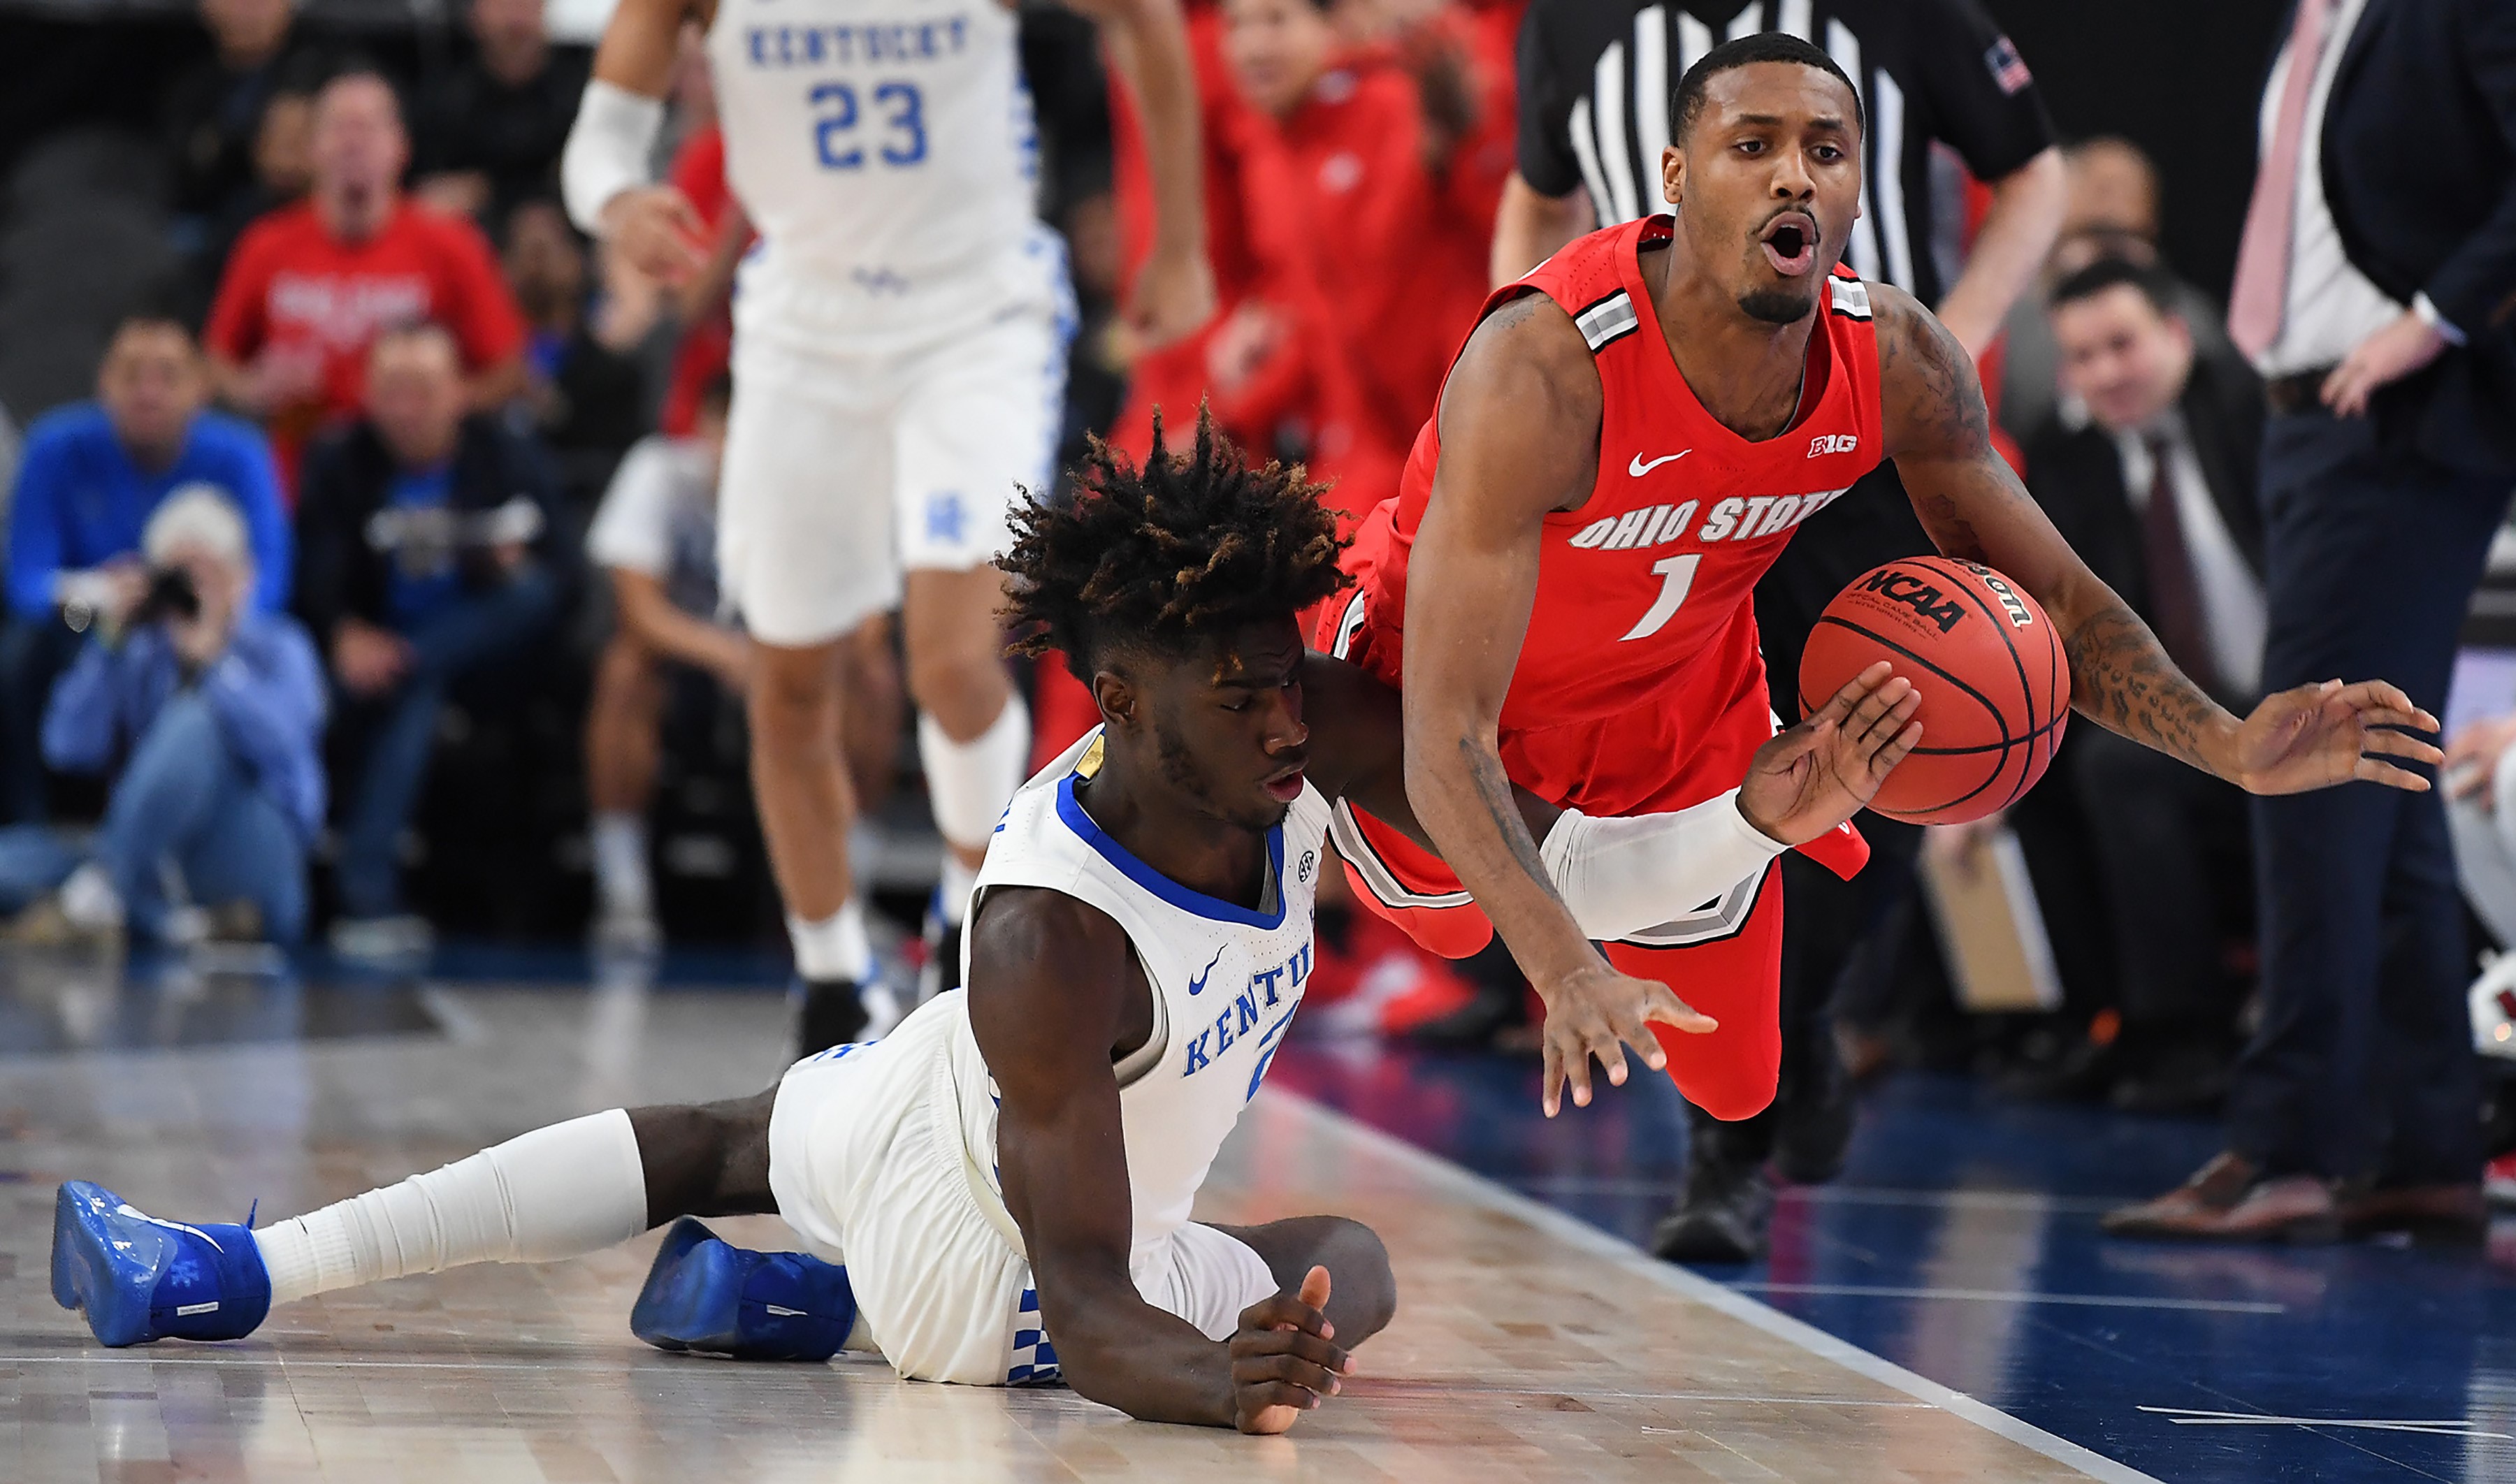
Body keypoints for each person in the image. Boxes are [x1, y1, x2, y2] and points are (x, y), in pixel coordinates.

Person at [48, 412, 1920, 1425]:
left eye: (1291, 677)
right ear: (1115, 692)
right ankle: (833, 1303)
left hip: (933, 1088)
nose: (1289, 718)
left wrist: (1754, 815)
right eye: (1241, 694)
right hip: (999, 1265)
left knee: (716, 1132)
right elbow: (1096, 1302)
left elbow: (1554, 879)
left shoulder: (1307, 731)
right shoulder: (1055, 935)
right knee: (1333, 1246)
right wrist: (1222, 1379)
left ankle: (263, 1274)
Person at [1322, 35, 2441, 1211]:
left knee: (1740, 1079)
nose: (1793, 177)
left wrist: (2227, 743)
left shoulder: (1893, 352)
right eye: (1751, 147)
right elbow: (1446, 729)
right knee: (1463, 928)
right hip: (1438, 714)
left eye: (1825, 150)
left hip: (1671, 706)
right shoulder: (1544, 367)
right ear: (1675, 175)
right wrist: (1563, 964)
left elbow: (2051, 597)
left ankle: (1788, 1036)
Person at [1488, 0, 2065, 1263]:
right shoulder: (1574, 23)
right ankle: (1730, 1137)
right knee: (1699, 767)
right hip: (1643, 450)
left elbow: (2034, 171)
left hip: (1858, 444)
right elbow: (1537, 198)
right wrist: (1503, 347)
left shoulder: (1904, 17)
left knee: (1909, 749)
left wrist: (1946, 339)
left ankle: (1796, 1026)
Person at [558, 0, 1215, 1053]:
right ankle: (828, 979)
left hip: (974, 318)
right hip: (802, 333)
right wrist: (620, 200)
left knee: (953, 659)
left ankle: (967, 920)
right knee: (790, 683)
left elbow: (1146, 19)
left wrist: (1178, 243)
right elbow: (598, 136)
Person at [2103, 0, 2516, 1245]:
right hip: (2310, 425)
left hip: (2397, 426)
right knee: (2377, 787)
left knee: (2304, 768)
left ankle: (2288, 1143)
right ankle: (2425, 1138)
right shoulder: (2318, 26)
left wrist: (2434, 317)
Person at [2020, 257, 2266, 1111]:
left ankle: (2189, 1037)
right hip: (2178, 729)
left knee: (2117, 770)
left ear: (2177, 335)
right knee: (2032, 765)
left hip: (2293, 706)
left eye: (2122, 346)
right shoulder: (2066, 458)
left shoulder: (2252, 413)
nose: (2106, 375)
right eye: (2082, 359)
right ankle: (2108, 1019)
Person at [294, 322, 566, 960]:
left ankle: (365, 892)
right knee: (414, 690)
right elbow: (313, 570)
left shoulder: (504, 452)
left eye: (424, 390)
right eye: (393, 390)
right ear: (368, 394)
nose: (408, 408)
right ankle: (364, 896)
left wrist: (508, 565)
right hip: (372, 649)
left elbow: (563, 577)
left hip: (491, 660)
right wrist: (342, 632)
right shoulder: (339, 457)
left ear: (459, 394)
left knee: (521, 597)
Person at [0, 488, 325, 948]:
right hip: (146, 853)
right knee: (9, 865)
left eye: (207, 574)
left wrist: (210, 664)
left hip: (250, 848)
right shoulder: (141, 650)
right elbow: (66, 747)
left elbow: (284, 750)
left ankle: (106, 896)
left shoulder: (280, 648)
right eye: (178, 575)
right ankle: (156, 917)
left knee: (195, 721)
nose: (191, 590)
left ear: (243, 578)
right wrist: (109, 639)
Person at [2, 315, 291, 825]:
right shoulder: (56, 445)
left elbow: (271, 580)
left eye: (168, 376)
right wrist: (97, 595)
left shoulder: (240, 452)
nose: (149, 393)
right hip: (92, 624)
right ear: (104, 384)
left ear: (202, 388)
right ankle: (31, 822)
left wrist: (210, 615)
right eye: (132, 375)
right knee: (21, 653)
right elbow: (25, 581)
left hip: (207, 628)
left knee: (274, 653)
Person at [205, 67, 528, 493]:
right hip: (297, 480)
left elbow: (507, 369)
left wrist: (432, 406)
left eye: (370, 128)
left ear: (401, 148)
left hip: (413, 482)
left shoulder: (452, 244)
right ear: (312, 149)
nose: (353, 141)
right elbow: (216, 361)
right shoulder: (265, 245)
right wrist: (254, 389)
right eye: (338, 127)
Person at [503, 196, 651, 506]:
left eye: (544, 252)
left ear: (576, 263)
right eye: (524, 252)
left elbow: (619, 466)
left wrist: (555, 410)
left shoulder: (616, 376)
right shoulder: (488, 368)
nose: (534, 266)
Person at [413, 0, 593, 226]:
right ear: (474, 14)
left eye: (527, 4)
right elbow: (424, 189)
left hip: (564, 232)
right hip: (474, 233)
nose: (516, 19)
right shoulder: (444, 102)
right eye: (502, 4)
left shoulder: (582, 96)